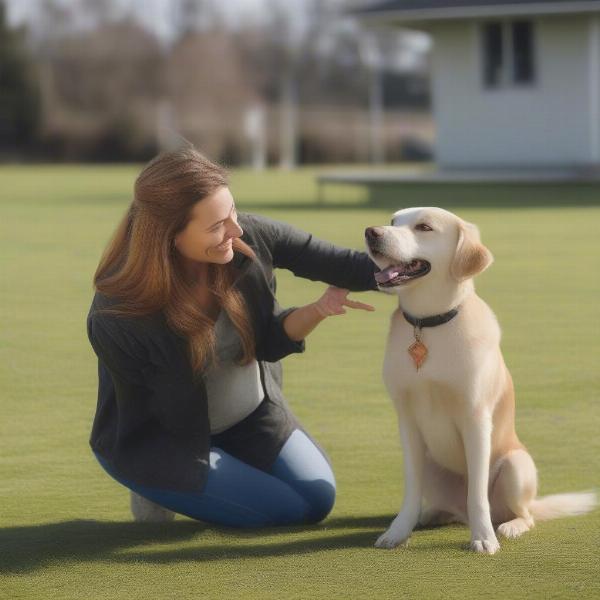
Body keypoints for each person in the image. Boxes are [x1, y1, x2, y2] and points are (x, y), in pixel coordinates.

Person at [87, 146, 378, 528]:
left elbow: (344, 266)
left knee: (317, 499)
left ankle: (228, 476)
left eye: (233, 213)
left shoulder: (249, 239)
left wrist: (422, 265)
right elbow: (161, 414)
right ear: (169, 236)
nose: (236, 231)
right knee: (285, 510)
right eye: (216, 225)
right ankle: (152, 485)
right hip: (170, 442)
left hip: (249, 421)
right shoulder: (117, 314)